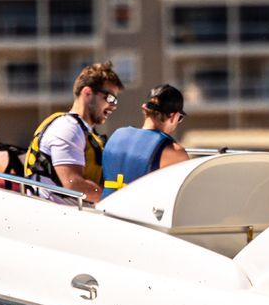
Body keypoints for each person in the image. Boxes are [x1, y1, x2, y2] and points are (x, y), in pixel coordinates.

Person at [21, 61, 123, 202]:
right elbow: (74, 185)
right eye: (110, 98)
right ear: (87, 93)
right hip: (53, 216)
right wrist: (117, 200)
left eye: (116, 101)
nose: (113, 105)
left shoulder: (86, 132)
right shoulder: (67, 128)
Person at [103, 83, 192, 190]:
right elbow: (184, 194)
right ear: (173, 116)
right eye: (180, 118)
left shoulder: (117, 135)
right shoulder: (174, 152)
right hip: (139, 207)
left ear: (144, 109)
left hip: (106, 205)